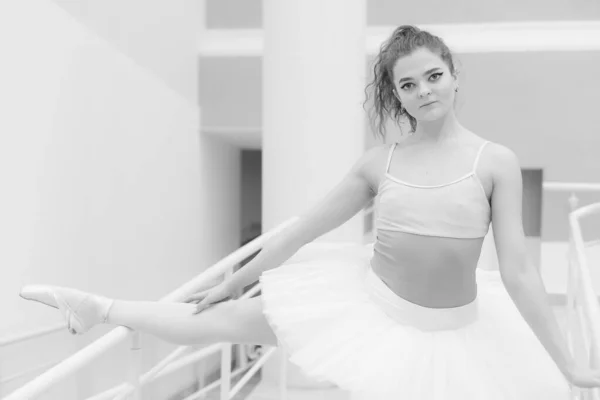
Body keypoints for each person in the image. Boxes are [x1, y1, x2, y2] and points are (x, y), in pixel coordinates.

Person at [19, 25, 600, 398]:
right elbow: (300, 233)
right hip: (372, 310)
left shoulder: (495, 162)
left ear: (454, 75)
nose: (424, 91)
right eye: (408, 85)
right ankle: (97, 307)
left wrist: (571, 366)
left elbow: (521, 273)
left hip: (457, 333)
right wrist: (234, 279)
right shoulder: (380, 163)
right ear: (396, 95)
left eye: (433, 76)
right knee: (216, 319)